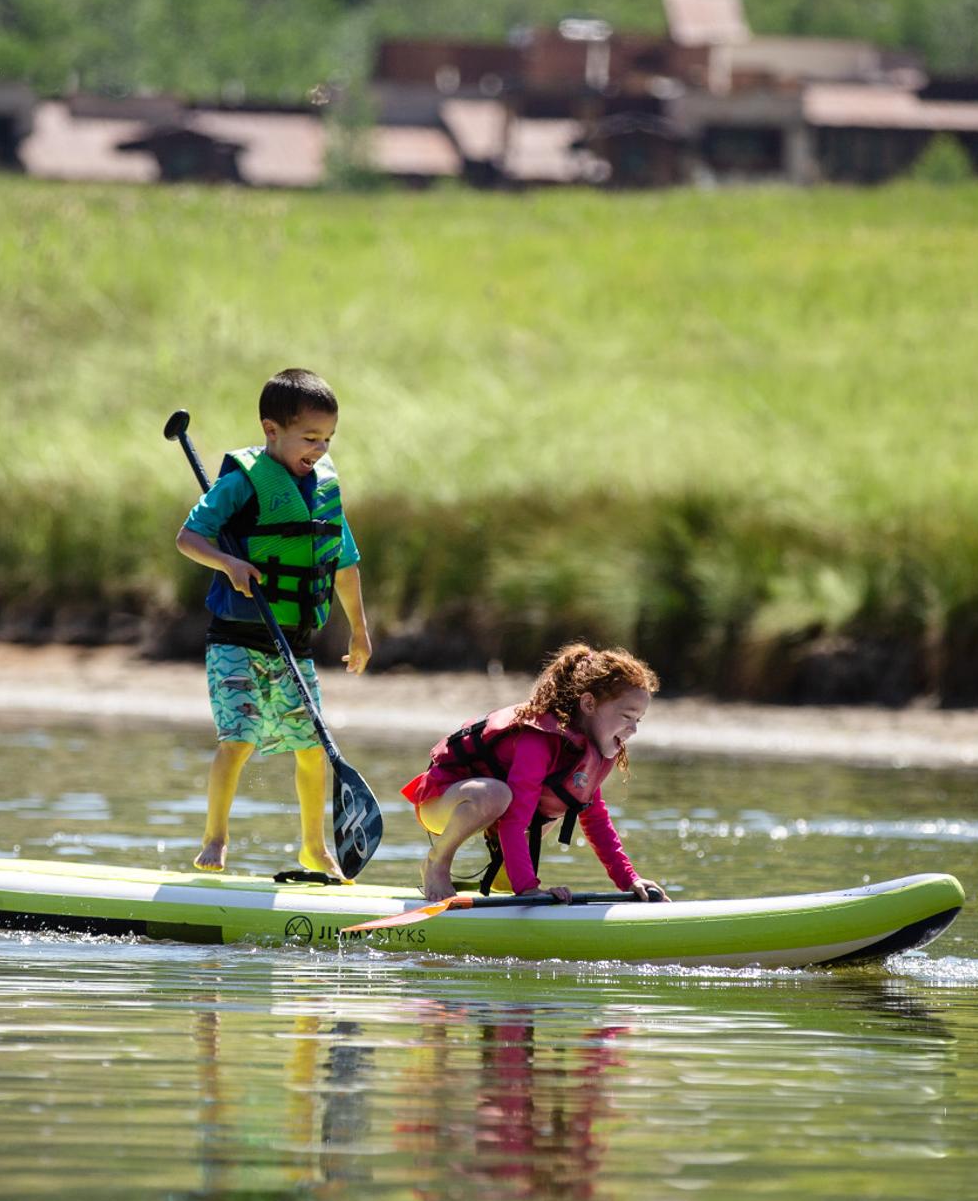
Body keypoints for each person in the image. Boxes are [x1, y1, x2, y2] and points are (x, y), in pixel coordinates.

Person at [175, 368, 371, 876]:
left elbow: (344, 565)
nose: (320, 449)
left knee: (312, 748)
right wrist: (230, 563)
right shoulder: (241, 481)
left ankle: (313, 846)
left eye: (327, 438)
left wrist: (360, 630)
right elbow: (189, 538)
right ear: (271, 430)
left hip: (294, 643)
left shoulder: (324, 489)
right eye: (310, 438)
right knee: (238, 739)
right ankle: (215, 839)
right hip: (236, 640)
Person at [401, 643, 669, 904]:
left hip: (491, 811)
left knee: (561, 799)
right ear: (588, 704)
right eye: (626, 716)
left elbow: (595, 818)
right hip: (441, 802)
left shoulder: (588, 751)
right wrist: (528, 889)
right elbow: (515, 818)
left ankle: (506, 875)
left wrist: (629, 879)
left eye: (638, 720)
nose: (633, 729)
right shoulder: (537, 741)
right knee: (497, 795)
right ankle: (437, 862)